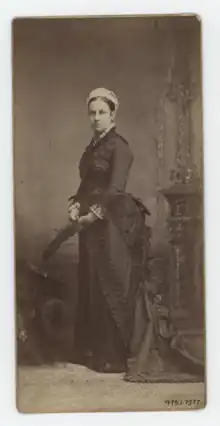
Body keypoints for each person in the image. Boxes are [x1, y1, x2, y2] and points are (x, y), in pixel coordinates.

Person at [66, 87, 151, 373]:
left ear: (113, 114)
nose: (96, 118)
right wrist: (76, 206)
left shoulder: (120, 147)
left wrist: (94, 214)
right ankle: (92, 351)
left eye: (102, 112)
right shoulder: (92, 148)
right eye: (92, 113)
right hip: (89, 223)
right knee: (90, 282)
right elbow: (86, 185)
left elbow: (115, 188)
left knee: (110, 285)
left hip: (112, 222)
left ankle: (112, 355)